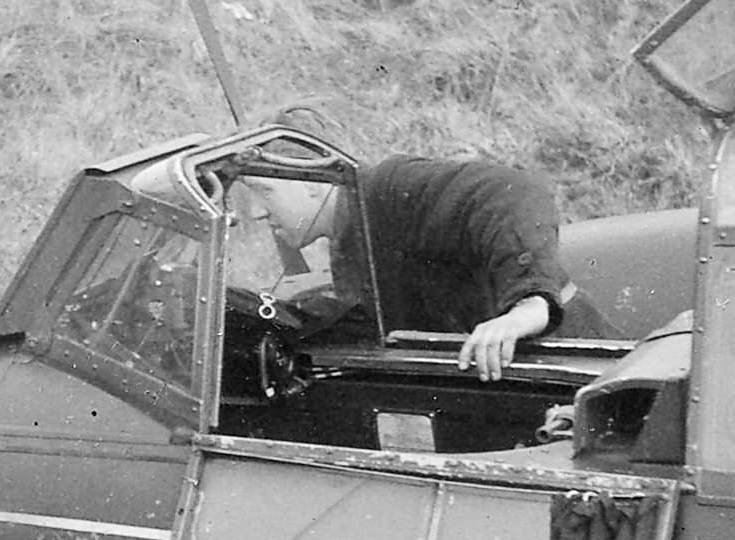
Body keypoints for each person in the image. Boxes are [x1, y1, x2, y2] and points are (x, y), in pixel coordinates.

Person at [237, 153, 619, 380]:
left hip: (569, 360)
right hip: (503, 373)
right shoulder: (350, 240)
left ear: (312, 182)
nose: (256, 212)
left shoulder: (388, 188)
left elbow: (507, 191)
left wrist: (530, 304)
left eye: (264, 191)